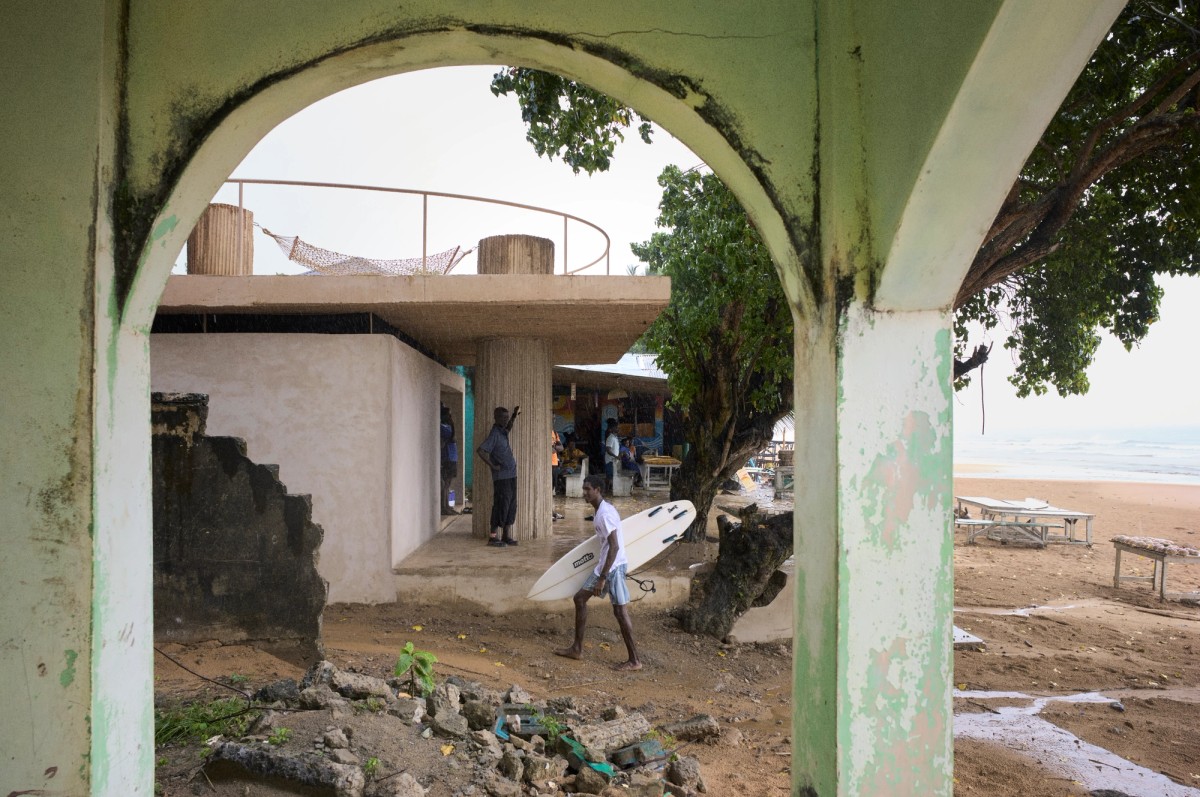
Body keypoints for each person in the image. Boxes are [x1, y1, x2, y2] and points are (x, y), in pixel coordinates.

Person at [555, 474, 642, 671]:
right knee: (579, 599)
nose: (584, 493)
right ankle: (577, 649)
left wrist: (602, 578)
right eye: (583, 489)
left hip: (614, 568)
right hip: (604, 566)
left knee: (620, 611)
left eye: (588, 489)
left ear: (598, 490)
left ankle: (635, 660)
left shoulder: (605, 514)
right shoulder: (601, 510)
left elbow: (614, 547)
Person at [476, 404, 520, 547]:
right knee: (501, 505)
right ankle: (493, 537)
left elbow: (509, 427)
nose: (506, 420)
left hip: (511, 475)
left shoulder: (502, 431)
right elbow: (481, 451)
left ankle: (506, 535)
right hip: (502, 478)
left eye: (507, 418)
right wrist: (493, 466)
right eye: (504, 418)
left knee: (511, 505)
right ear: (496, 418)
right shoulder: (494, 434)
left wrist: (514, 415)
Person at [439, 405, 458, 515]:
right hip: (448, 458)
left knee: (448, 484)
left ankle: (448, 505)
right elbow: (451, 436)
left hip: (452, 458)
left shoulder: (447, 427)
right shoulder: (444, 427)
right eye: (449, 414)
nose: (450, 417)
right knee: (445, 484)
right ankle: (444, 507)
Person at [603, 418, 620, 491]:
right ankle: (606, 490)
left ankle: (608, 489)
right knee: (609, 476)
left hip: (613, 460)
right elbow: (608, 450)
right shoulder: (610, 438)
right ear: (612, 428)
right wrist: (616, 456)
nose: (617, 429)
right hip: (610, 460)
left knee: (611, 476)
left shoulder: (614, 437)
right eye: (616, 428)